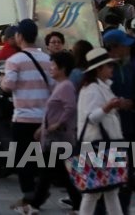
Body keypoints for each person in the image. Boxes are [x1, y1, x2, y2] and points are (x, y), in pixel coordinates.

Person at [0, 18, 54, 214]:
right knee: (41, 159)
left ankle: (29, 197)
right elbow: (54, 86)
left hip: (23, 118)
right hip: (44, 118)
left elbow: (9, 86)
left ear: (19, 36)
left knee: (23, 159)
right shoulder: (47, 59)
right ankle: (36, 196)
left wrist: (1, 81)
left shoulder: (15, 60)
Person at [76, 47, 126, 215]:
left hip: (106, 145)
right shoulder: (92, 89)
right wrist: (108, 107)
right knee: (95, 192)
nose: (112, 69)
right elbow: (92, 118)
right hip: (98, 145)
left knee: (108, 190)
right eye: (108, 66)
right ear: (99, 69)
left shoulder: (100, 86)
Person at [31, 51, 82, 212]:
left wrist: (58, 124)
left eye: (53, 65)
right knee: (60, 174)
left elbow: (70, 108)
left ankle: (35, 204)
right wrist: (42, 128)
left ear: (62, 68)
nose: (50, 68)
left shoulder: (66, 86)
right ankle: (78, 203)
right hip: (53, 137)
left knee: (48, 173)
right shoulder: (60, 85)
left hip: (58, 138)